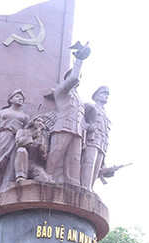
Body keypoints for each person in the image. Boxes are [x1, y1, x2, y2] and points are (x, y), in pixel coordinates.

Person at [46, 44, 91, 186]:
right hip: (63, 126)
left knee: (74, 158)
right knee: (56, 152)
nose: (78, 79)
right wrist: (78, 61)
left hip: (77, 131)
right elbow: (73, 79)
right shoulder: (62, 90)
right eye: (76, 75)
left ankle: (73, 183)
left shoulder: (79, 98)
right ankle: (47, 176)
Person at [0, 90, 30, 196]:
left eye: (22, 98)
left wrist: (20, 133)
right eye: (17, 96)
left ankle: (6, 188)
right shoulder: (1, 112)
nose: (20, 99)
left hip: (16, 139)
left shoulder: (24, 116)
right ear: (10, 99)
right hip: (2, 138)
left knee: (11, 164)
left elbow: (28, 130)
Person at [80, 86, 111, 190]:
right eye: (103, 93)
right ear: (96, 96)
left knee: (96, 169)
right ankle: (85, 187)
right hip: (92, 140)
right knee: (89, 164)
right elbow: (79, 116)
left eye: (107, 94)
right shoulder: (90, 107)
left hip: (103, 143)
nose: (106, 96)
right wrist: (87, 126)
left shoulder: (106, 115)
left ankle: (90, 188)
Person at [14, 114, 52, 183]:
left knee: (44, 179)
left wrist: (43, 153)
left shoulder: (43, 137)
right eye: (38, 121)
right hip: (23, 161)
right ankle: (21, 176)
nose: (40, 123)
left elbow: (43, 158)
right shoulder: (22, 131)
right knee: (21, 150)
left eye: (42, 122)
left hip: (35, 164)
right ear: (32, 122)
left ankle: (30, 186)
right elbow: (18, 144)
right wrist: (32, 137)